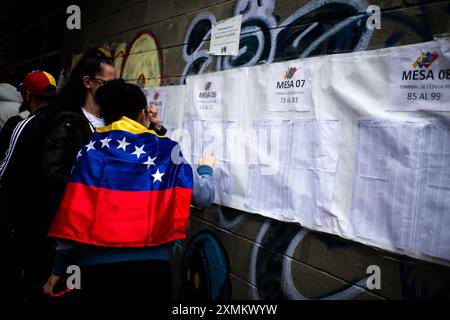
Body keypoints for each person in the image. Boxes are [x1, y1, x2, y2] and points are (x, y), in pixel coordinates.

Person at [42, 79, 215, 302]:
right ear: (142, 115)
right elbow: (204, 197)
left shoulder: (90, 151)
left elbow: (74, 214)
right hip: (152, 271)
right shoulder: (167, 150)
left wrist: (58, 268)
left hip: (92, 270)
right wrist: (206, 169)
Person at [0, 71, 58, 302]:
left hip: (24, 212)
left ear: (27, 94)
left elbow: (5, 169)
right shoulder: (65, 121)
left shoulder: (24, 124)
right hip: (54, 216)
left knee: (20, 268)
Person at [41, 48, 115, 222]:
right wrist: (95, 186)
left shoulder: (114, 120)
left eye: (116, 83)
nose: (113, 90)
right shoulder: (68, 123)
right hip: (72, 220)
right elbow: (52, 175)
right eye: (107, 84)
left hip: (102, 219)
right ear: (88, 82)